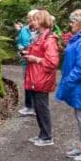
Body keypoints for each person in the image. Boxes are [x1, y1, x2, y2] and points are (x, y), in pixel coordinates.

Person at [55, 10, 81, 161]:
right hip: (78, 83)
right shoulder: (80, 39)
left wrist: (68, 81)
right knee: (80, 115)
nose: (70, 24)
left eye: (73, 22)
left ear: (80, 23)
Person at [23, 9, 60, 146]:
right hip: (36, 76)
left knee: (42, 107)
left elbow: (52, 62)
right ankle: (42, 134)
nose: (33, 22)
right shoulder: (39, 36)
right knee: (38, 107)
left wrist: (35, 59)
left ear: (43, 21)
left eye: (36, 19)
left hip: (42, 77)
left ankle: (47, 137)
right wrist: (28, 53)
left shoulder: (49, 39)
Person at [15, 12, 36, 116]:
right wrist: (20, 46)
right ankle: (28, 106)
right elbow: (19, 41)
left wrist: (28, 48)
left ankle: (36, 107)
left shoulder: (39, 31)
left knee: (36, 84)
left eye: (31, 18)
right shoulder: (24, 29)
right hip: (25, 60)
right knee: (27, 83)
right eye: (28, 18)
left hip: (35, 61)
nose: (29, 20)